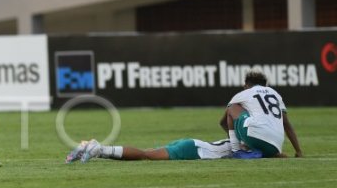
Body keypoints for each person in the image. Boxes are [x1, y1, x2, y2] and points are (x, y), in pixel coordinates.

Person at [221, 70, 303, 158]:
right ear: (265, 85)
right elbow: (286, 124)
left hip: (255, 138)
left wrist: (239, 140)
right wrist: (298, 151)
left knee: (232, 108)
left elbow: (223, 122)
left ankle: (236, 151)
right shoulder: (275, 94)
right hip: (275, 146)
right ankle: (270, 154)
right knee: (255, 118)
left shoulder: (244, 93)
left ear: (246, 86)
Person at [65, 137, 233, 163]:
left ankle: (93, 147)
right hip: (194, 151)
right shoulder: (252, 147)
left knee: (146, 152)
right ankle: (99, 149)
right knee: (146, 155)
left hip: (193, 143)